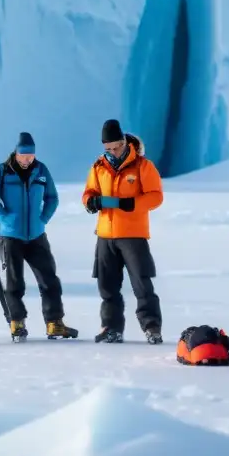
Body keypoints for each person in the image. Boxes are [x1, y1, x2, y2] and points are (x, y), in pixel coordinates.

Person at [0, 132, 78, 341]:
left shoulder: (41, 171)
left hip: (36, 235)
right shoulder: (1, 172)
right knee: (15, 283)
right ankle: (17, 323)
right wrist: (4, 217)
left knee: (49, 280)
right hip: (11, 236)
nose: (27, 159)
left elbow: (52, 198)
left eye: (30, 156)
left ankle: (54, 323)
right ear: (16, 153)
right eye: (23, 155)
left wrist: (42, 219)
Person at [82, 119, 165, 344]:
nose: (111, 152)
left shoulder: (142, 166)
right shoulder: (98, 167)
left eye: (115, 147)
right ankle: (111, 328)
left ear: (123, 142)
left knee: (141, 282)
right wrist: (91, 202)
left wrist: (132, 204)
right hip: (105, 235)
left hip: (133, 235)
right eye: (107, 148)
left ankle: (151, 327)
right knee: (107, 286)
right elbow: (88, 192)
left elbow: (156, 195)